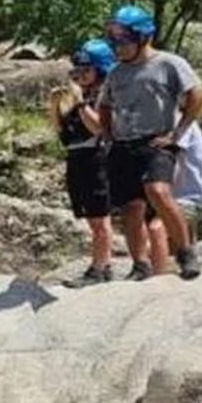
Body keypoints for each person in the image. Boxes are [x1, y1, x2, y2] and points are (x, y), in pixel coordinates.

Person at [99, 4, 202, 280]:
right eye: (113, 39)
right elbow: (105, 105)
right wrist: (108, 134)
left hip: (156, 142)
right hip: (124, 145)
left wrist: (178, 133)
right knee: (131, 208)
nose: (117, 46)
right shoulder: (116, 73)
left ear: (143, 37)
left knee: (158, 191)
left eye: (123, 39)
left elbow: (197, 95)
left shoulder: (169, 64)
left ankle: (185, 253)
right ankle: (140, 264)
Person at [54, 40, 118, 287]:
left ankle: (99, 268)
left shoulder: (104, 96)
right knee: (91, 217)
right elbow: (63, 132)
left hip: (96, 159)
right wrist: (57, 104)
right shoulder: (84, 96)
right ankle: (105, 263)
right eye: (78, 71)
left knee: (100, 217)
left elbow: (99, 129)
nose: (80, 75)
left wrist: (80, 102)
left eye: (87, 70)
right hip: (77, 158)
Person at [146, 122, 202, 273]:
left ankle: (157, 280)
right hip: (176, 199)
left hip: (190, 199)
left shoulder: (181, 125)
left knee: (157, 228)